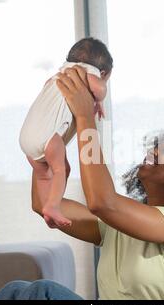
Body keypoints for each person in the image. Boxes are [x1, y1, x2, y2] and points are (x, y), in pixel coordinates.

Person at [0, 67, 164, 300]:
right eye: (161, 143)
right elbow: (44, 204)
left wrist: (84, 116)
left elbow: (102, 202)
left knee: (42, 292)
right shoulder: (116, 227)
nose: (157, 149)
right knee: (17, 292)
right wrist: (47, 142)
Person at [19, 37, 113, 227]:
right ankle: (52, 206)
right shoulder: (90, 75)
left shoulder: (57, 77)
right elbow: (100, 89)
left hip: (25, 139)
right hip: (48, 140)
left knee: (47, 173)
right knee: (60, 170)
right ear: (103, 72)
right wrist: (98, 99)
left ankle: (48, 206)